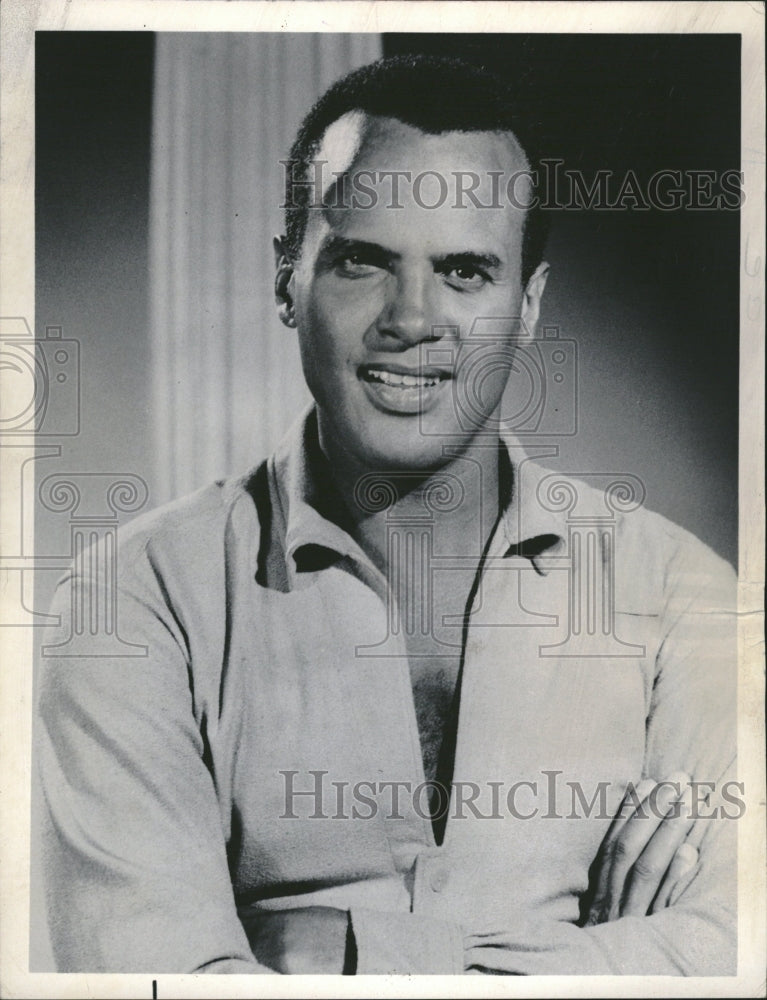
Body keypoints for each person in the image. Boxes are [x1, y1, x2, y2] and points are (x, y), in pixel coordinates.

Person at [36, 55, 737, 975]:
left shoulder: (686, 600)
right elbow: (156, 983)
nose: (413, 318)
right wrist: (588, 963)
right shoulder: (132, 600)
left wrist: (357, 955)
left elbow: (740, 949)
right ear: (287, 278)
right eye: (362, 260)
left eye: (464, 272)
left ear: (526, 305)